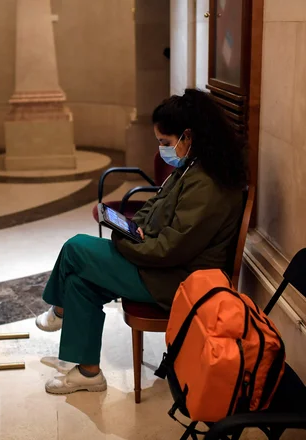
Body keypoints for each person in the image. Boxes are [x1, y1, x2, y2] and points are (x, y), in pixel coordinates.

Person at [36, 88, 248, 395]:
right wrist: (131, 227)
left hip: (179, 281)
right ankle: (88, 372)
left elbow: (170, 249)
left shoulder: (208, 184)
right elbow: (156, 204)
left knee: (76, 248)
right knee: (81, 282)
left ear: (188, 136)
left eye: (165, 142)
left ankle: (59, 311)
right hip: (161, 266)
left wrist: (125, 243)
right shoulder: (195, 167)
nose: (162, 149)